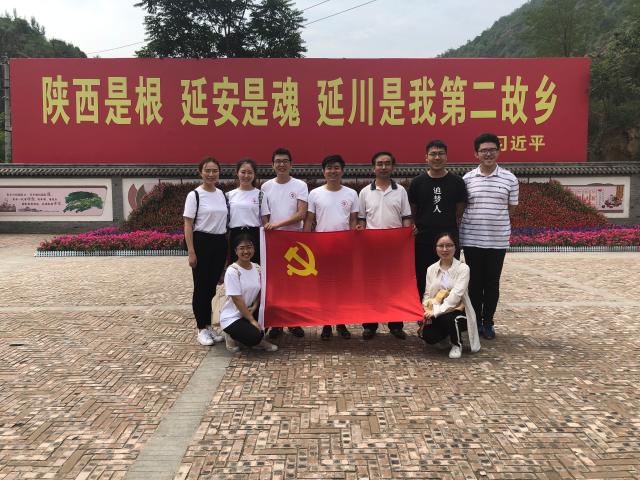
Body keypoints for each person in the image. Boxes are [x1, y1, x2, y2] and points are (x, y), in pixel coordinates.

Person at [459, 133, 519, 340]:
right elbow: (463, 207)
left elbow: (511, 208)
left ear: (498, 152)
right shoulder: (467, 179)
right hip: (472, 239)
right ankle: (475, 321)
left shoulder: (510, 179)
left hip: (497, 240)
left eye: (492, 150)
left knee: (492, 283)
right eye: (483, 150)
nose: (488, 154)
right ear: (476, 154)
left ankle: (488, 322)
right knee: (474, 283)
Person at [357, 151, 413, 340]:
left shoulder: (401, 191)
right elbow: (362, 219)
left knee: (395, 287)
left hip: (395, 248)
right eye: (379, 164)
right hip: (372, 248)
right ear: (373, 167)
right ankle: (369, 325)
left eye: (387, 163)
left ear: (392, 167)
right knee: (371, 286)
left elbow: (406, 218)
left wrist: (406, 238)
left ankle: (396, 325)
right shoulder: (365, 192)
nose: (383, 167)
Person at [305, 154, 359, 340]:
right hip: (321, 247)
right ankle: (326, 324)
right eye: (329, 168)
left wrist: (353, 242)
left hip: (344, 247)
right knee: (324, 287)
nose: (332, 171)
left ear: (342, 171)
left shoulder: (351, 194)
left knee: (342, 286)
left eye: (336, 167)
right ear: (323, 171)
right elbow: (309, 220)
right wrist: (305, 242)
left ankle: (341, 322)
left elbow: (353, 220)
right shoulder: (315, 193)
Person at [408, 139, 467, 300]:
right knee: (423, 276)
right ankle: (424, 309)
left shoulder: (457, 182)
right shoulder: (417, 182)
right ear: (426, 157)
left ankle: (448, 308)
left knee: (450, 276)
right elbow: (412, 209)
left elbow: (459, 210)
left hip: (449, 239)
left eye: (441, 154)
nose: (437, 157)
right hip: (423, 239)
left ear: (446, 157)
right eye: (433, 154)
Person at [261, 147, 308, 339]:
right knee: (275, 283)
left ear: (291, 164)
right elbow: (264, 213)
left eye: (285, 161)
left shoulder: (300, 185)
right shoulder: (266, 187)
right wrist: (268, 226)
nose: (281, 164)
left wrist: (276, 225)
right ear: (272, 165)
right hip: (273, 242)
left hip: (293, 240)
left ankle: (294, 322)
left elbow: (301, 214)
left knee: (294, 283)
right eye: (278, 161)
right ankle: (277, 323)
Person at [183, 157, 228, 346]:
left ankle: (209, 326)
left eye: (214, 170)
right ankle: (201, 328)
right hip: (202, 242)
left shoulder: (222, 194)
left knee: (211, 288)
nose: (211, 174)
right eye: (207, 170)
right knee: (201, 288)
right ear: (200, 172)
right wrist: (191, 251)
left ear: (219, 173)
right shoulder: (195, 195)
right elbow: (188, 224)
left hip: (219, 242)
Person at [420, 232, 481, 359]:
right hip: (436, 309)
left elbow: (455, 296)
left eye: (449, 245)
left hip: (458, 310)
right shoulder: (431, 269)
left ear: (455, 247)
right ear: (436, 248)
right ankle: (447, 335)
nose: (444, 249)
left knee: (449, 319)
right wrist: (426, 309)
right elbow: (427, 294)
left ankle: (456, 344)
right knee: (428, 335)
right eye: (441, 246)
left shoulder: (463, 269)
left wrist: (436, 311)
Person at [220, 234, 278, 352]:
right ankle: (232, 335)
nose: (246, 251)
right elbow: (237, 299)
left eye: (249, 247)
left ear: (254, 249)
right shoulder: (233, 271)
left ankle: (253, 339)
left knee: (269, 314)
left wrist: (255, 306)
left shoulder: (257, 268)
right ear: (236, 251)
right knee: (255, 336)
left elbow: (260, 291)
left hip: (249, 310)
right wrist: (251, 320)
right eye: (242, 248)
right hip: (233, 316)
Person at [226, 158, 263, 263]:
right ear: (237, 173)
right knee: (235, 267)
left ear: (254, 174)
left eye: (250, 172)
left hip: (255, 235)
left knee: (255, 266)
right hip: (235, 235)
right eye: (243, 172)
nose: (246, 175)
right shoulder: (229, 195)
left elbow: (264, 219)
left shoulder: (260, 195)